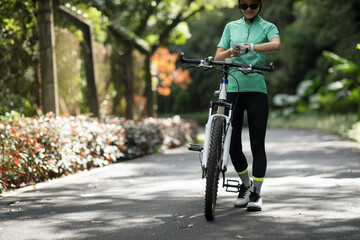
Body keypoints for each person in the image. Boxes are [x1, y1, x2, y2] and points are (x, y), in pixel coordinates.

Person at [214, 0, 280, 211]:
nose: (249, 9)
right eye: (244, 5)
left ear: (260, 5)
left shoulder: (268, 26)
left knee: (256, 144)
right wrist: (231, 52)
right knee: (232, 146)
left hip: (257, 90)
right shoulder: (231, 27)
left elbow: (276, 44)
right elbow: (218, 56)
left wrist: (251, 47)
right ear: (239, 6)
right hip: (233, 89)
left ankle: (257, 193)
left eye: (253, 5)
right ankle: (246, 185)